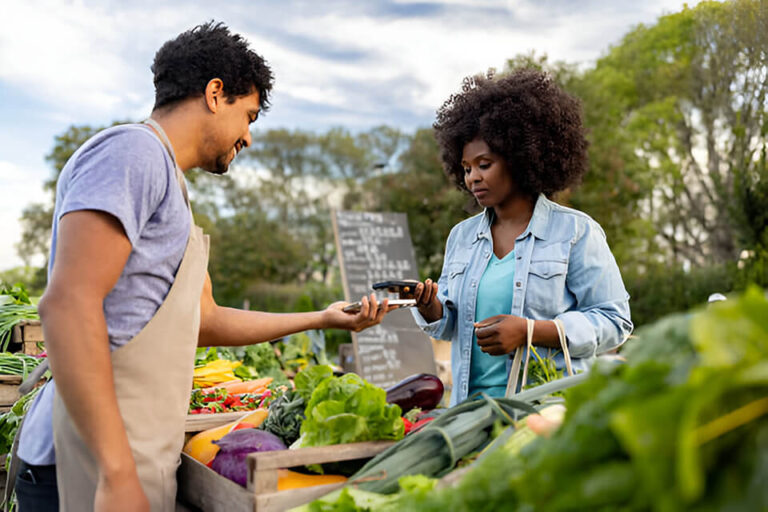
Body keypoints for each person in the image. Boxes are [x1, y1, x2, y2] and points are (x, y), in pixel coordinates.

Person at [13, 21, 389, 512]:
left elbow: (205, 319)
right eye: (248, 115)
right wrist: (118, 471)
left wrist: (321, 317)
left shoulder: (171, 186)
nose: (248, 137)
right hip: (87, 464)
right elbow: (67, 304)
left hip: (133, 452)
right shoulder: (133, 153)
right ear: (216, 93)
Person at [407, 68, 633, 406]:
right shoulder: (462, 237)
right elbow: (452, 326)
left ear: (519, 157)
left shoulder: (575, 232)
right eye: (466, 168)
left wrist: (531, 332)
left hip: (543, 414)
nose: (473, 178)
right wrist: (431, 307)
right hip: (468, 416)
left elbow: (615, 320)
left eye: (485, 164)